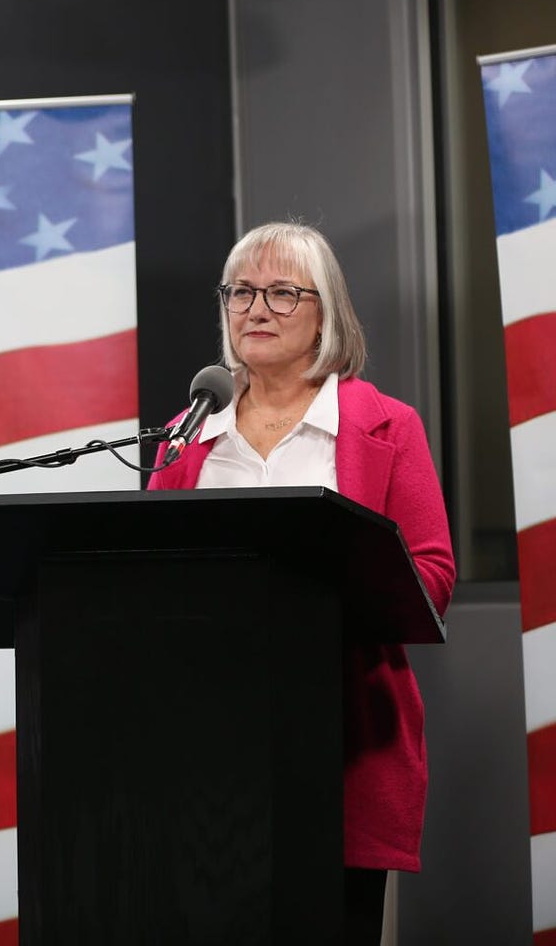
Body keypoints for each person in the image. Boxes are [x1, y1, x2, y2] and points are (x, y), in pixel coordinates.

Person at [147, 221, 455, 942]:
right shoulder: (186, 438)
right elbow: (148, 579)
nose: (256, 309)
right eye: (242, 292)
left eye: (283, 293)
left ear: (328, 313)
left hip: (340, 744)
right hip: (204, 752)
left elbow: (433, 576)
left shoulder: (387, 427)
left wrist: (320, 596)